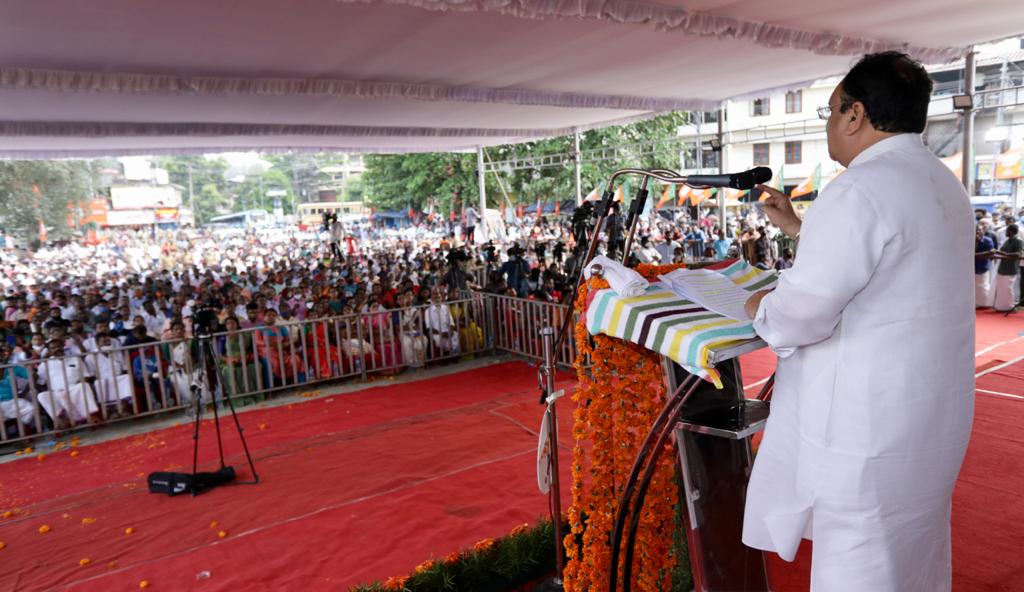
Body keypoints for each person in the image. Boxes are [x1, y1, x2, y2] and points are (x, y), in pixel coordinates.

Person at [742, 52, 974, 592]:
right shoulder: (943, 182)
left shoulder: (858, 190)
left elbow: (799, 316)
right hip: (928, 419)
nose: (828, 123)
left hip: (866, 428)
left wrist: (758, 307)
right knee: (914, 553)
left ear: (855, 115)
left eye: (829, 111)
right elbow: (897, 269)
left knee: (861, 564)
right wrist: (803, 228)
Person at [993, 224, 1022, 311]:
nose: (1005, 232)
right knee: (1001, 289)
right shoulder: (1007, 240)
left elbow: (1018, 254)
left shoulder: (1018, 241)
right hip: (1002, 267)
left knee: (1008, 289)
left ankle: (1009, 307)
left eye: (1007, 230)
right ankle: (1001, 307)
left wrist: (1003, 254)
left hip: (1010, 268)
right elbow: (1001, 250)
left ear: (1011, 231)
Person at [975, 225, 996, 307]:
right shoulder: (970, 240)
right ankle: (976, 303)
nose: (977, 232)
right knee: (975, 287)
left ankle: (985, 304)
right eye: (976, 231)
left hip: (982, 267)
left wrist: (975, 255)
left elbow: (990, 253)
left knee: (983, 286)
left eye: (979, 230)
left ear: (983, 231)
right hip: (972, 267)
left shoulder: (988, 240)